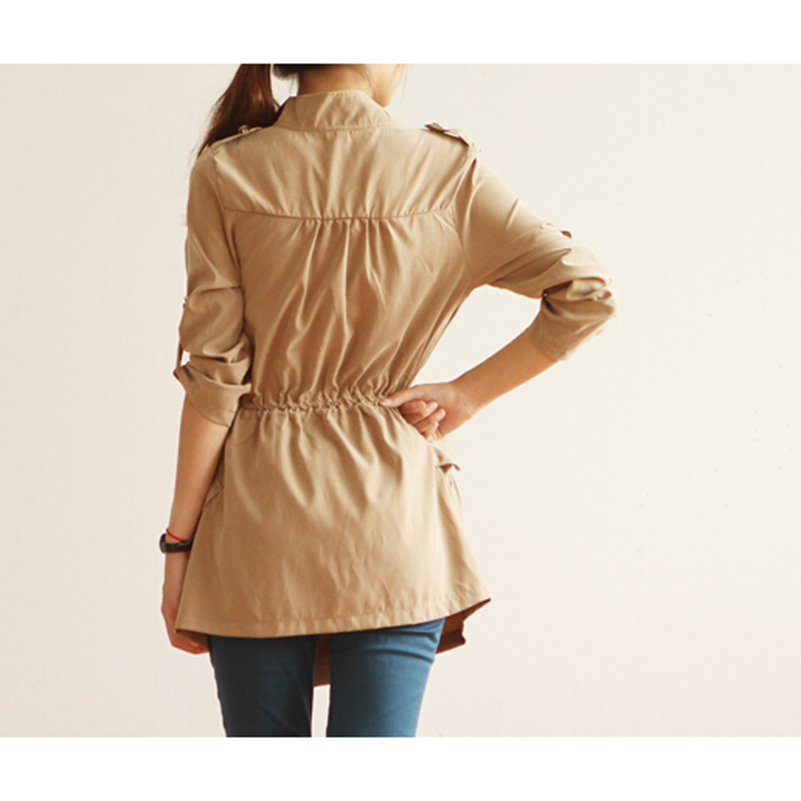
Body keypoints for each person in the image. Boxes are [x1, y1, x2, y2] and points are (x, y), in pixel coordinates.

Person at [160, 64, 618, 737]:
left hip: (256, 533)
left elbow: (215, 381)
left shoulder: (226, 170)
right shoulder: (447, 170)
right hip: (394, 525)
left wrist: (178, 548)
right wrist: (467, 395)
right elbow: (586, 291)